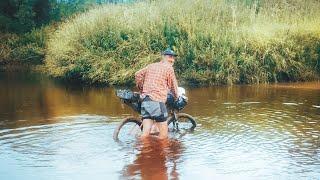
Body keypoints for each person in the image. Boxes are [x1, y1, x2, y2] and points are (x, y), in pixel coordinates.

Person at [135, 48, 179, 139]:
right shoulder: (169, 68)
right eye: (170, 57)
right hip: (157, 101)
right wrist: (176, 97)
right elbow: (174, 86)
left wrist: (141, 88)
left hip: (145, 100)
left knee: (145, 133)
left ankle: (143, 152)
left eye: (173, 57)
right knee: (163, 135)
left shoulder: (151, 66)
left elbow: (137, 74)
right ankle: (160, 153)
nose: (172, 59)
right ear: (163, 57)